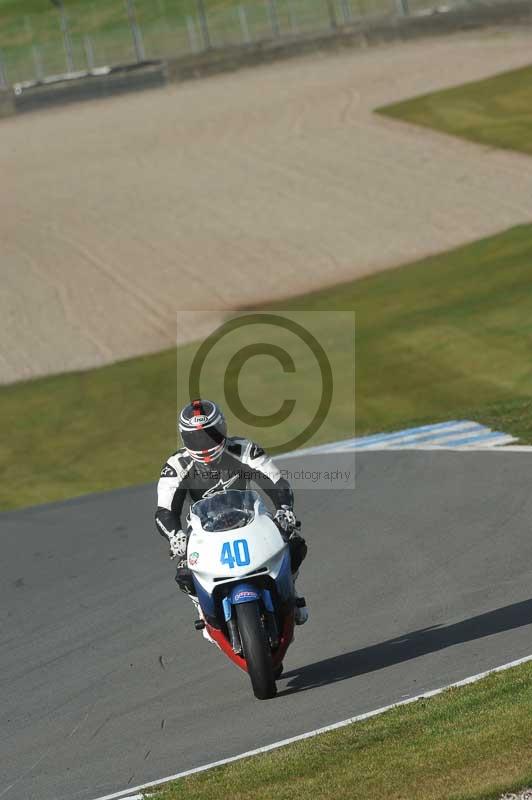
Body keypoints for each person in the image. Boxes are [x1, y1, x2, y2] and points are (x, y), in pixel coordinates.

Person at [155, 398, 308, 627]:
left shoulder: (245, 450)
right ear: (184, 438)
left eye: (210, 434)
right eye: (196, 438)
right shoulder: (176, 465)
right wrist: (175, 536)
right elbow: (165, 510)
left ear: (223, 428)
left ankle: (290, 591)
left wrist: (284, 509)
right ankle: (203, 612)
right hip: (202, 530)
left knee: (294, 544)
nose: (204, 444)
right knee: (184, 573)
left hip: (249, 518)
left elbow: (276, 483)